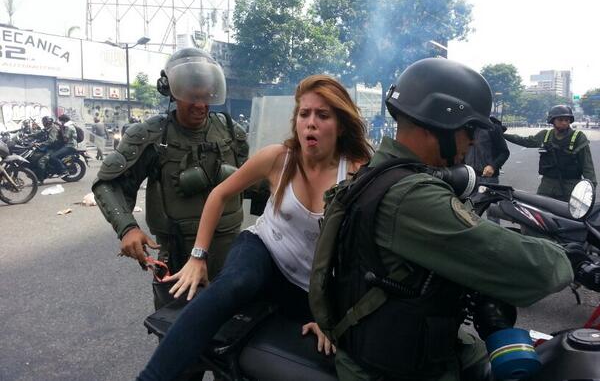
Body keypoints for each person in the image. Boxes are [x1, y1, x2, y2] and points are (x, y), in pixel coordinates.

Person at [327, 58, 573, 380]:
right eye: (469, 129)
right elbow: (535, 271)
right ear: (440, 122)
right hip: (397, 370)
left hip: (401, 347)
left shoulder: (378, 174)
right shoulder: (411, 197)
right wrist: (566, 255)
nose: (472, 141)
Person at [137, 74, 372, 381]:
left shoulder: (357, 172)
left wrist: (330, 316)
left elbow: (360, 254)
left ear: (340, 125)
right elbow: (219, 194)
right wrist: (198, 256)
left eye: (322, 115)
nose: (310, 123)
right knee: (235, 284)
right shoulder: (278, 158)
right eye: (304, 114)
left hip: (308, 285)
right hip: (263, 250)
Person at [92, 47, 250, 309]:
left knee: (234, 328)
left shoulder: (232, 133)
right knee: (178, 330)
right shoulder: (150, 136)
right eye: (191, 96)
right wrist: (127, 228)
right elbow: (108, 184)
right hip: (178, 255)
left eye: (205, 95)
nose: (200, 105)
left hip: (230, 251)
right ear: (171, 91)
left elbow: (255, 183)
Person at [504, 104, 596, 201]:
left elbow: (587, 166)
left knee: (568, 214)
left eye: (567, 120)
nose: (564, 123)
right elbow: (526, 141)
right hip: (547, 185)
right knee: (539, 210)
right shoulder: (546, 135)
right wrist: (503, 135)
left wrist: (590, 190)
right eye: (560, 120)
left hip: (570, 185)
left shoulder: (578, 137)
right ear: (552, 121)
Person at [465, 115, 509, 222]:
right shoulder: (465, 126)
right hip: (469, 178)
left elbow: (504, 152)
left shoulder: (492, 128)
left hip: (489, 179)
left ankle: (493, 237)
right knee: (466, 213)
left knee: (492, 214)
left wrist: (493, 166)